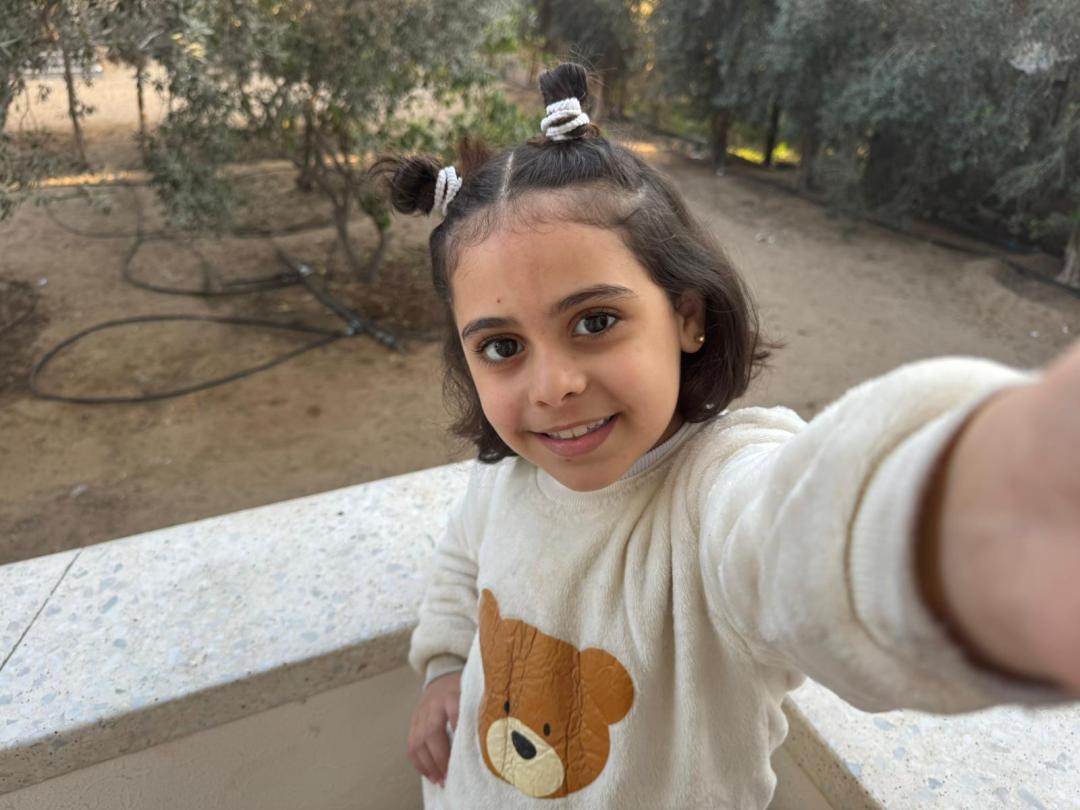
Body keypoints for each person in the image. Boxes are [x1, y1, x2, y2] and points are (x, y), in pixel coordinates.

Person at [373, 63, 1079, 809]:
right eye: (502, 346)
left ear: (688, 315)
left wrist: (972, 505)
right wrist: (445, 667)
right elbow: (461, 562)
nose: (552, 387)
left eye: (595, 322)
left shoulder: (716, 492)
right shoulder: (505, 477)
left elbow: (804, 538)